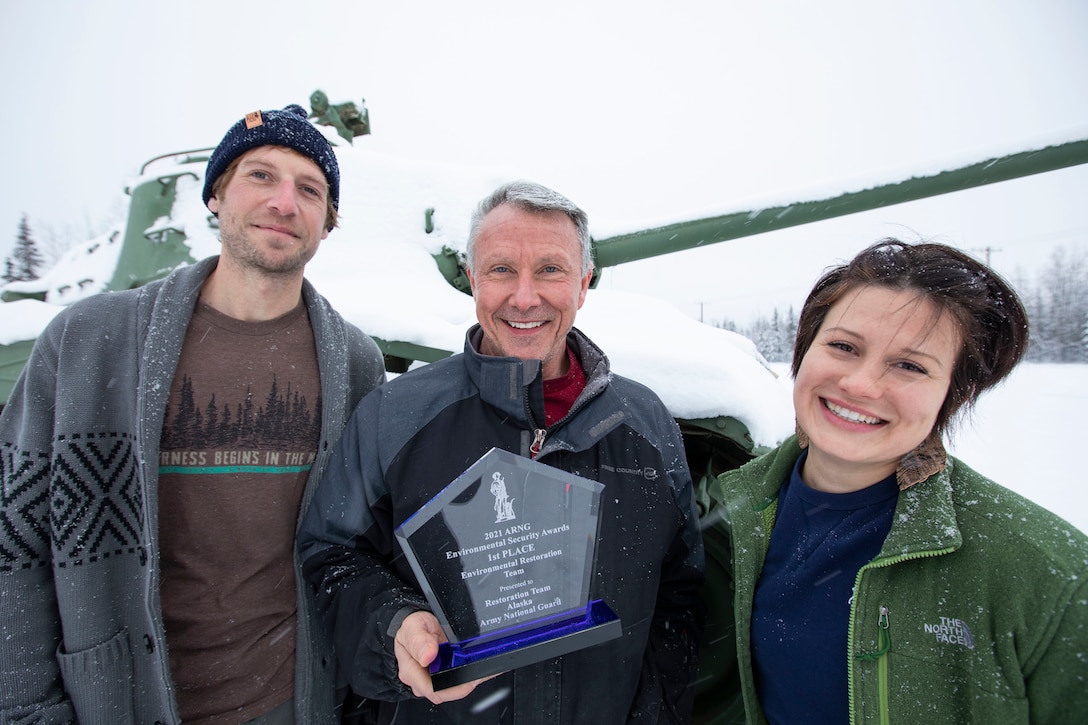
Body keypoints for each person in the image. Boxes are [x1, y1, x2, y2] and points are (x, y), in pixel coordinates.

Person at [0, 104, 387, 724]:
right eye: (261, 176)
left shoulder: (354, 363)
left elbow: (364, 539)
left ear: (327, 220)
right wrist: (24, 708)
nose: (285, 203)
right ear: (216, 196)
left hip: (287, 703)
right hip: (116, 698)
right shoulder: (88, 344)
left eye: (309, 189)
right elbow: (14, 539)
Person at [297, 181, 705, 724]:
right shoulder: (396, 416)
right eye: (501, 270)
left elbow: (679, 594)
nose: (524, 297)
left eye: (551, 270)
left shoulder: (645, 422)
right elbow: (331, 554)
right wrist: (393, 625)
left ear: (583, 284)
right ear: (472, 281)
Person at [703, 239, 1088, 723]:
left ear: (955, 391)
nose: (861, 384)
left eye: (910, 365)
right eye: (843, 346)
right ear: (803, 352)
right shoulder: (728, 512)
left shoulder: (1052, 576)